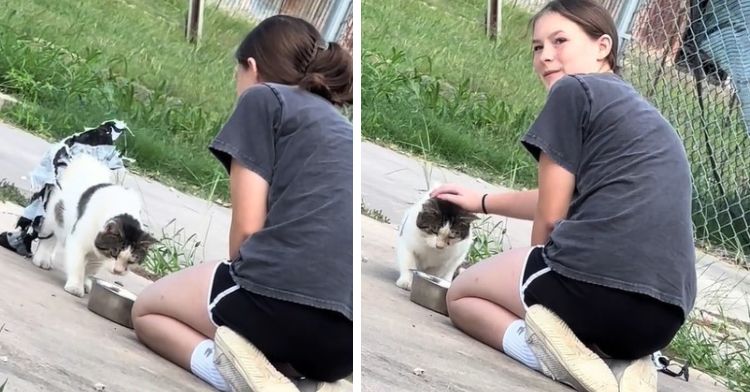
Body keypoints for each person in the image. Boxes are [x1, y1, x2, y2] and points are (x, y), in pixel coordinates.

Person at [431, 0, 696, 391]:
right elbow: (565, 198)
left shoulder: (573, 91)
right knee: (540, 295)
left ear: (602, 46)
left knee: (463, 294)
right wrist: (483, 201)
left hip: (594, 292)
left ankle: (550, 357)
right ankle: (622, 363)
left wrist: (536, 282)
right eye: (538, 47)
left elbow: (551, 219)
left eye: (560, 41)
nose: (546, 56)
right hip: (661, 321)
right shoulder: (636, 112)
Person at [131, 15, 353, 392]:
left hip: (277, 305)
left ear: (251, 67)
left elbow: (247, 235)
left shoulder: (263, 99)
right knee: (272, 340)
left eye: (237, 73)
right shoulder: (341, 128)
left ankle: (240, 379)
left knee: (149, 310)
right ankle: (308, 385)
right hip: (344, 347)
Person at [0, 120, 129, 257]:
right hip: (85, 201)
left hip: (70, 195)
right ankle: (33, 240)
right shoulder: (102, 160)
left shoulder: (74, 151)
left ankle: (27, 238)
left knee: (51, 205)